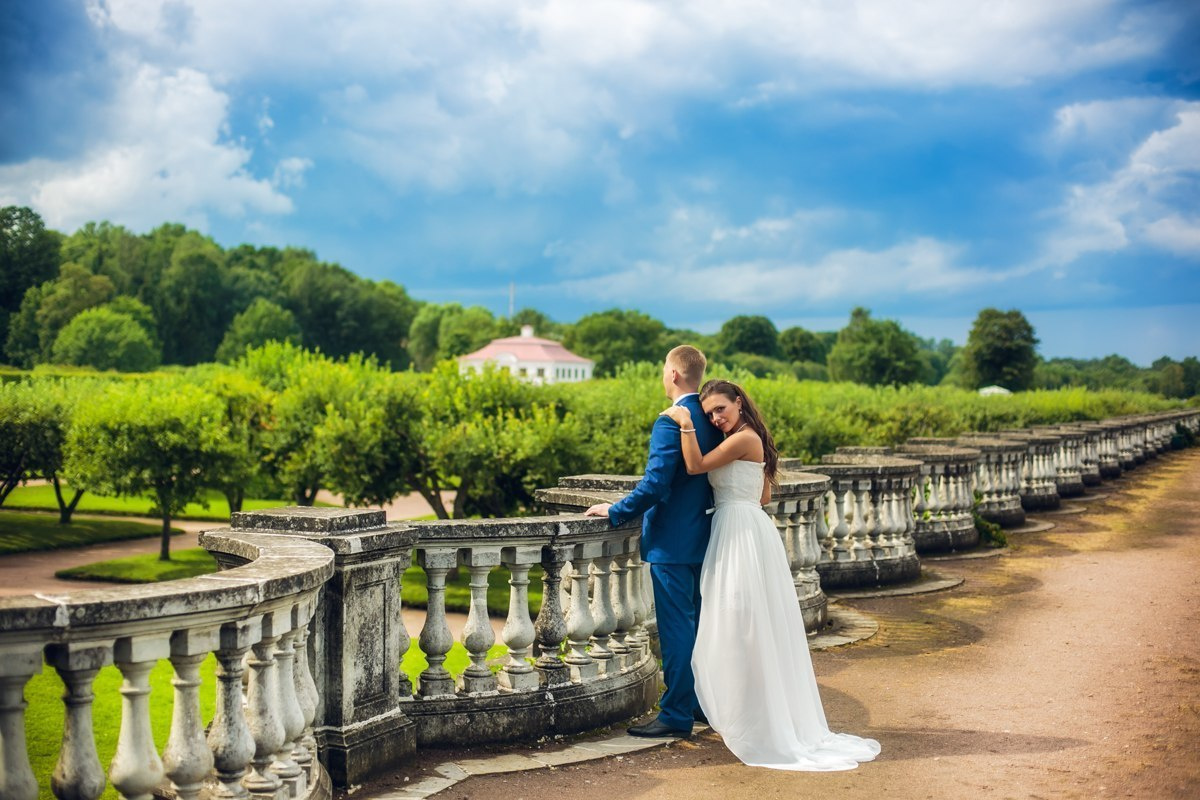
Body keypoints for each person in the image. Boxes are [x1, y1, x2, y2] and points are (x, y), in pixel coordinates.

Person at [660, 379, 881, 770]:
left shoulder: (744, 439)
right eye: (709, 413)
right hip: (746, 527)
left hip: (739, 531)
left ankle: (751, 718)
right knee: (740, 624)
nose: (715, 418)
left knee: (737, 624)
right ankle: (744, 711)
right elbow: (762, 496)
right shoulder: (748, 437)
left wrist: (686, 422)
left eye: (720, 409)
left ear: (738, 402)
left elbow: (695, 466)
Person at [584, 345, 723, 738]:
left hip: (672, 544)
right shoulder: (713, 419)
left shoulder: (670, 421)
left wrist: (615, 510)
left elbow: (656, 484)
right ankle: (698, 704)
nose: (663, 376)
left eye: (664, 369)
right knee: (697, 627)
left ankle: (676, 714)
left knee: (676, 631)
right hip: (705, 538)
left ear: (674, 374)